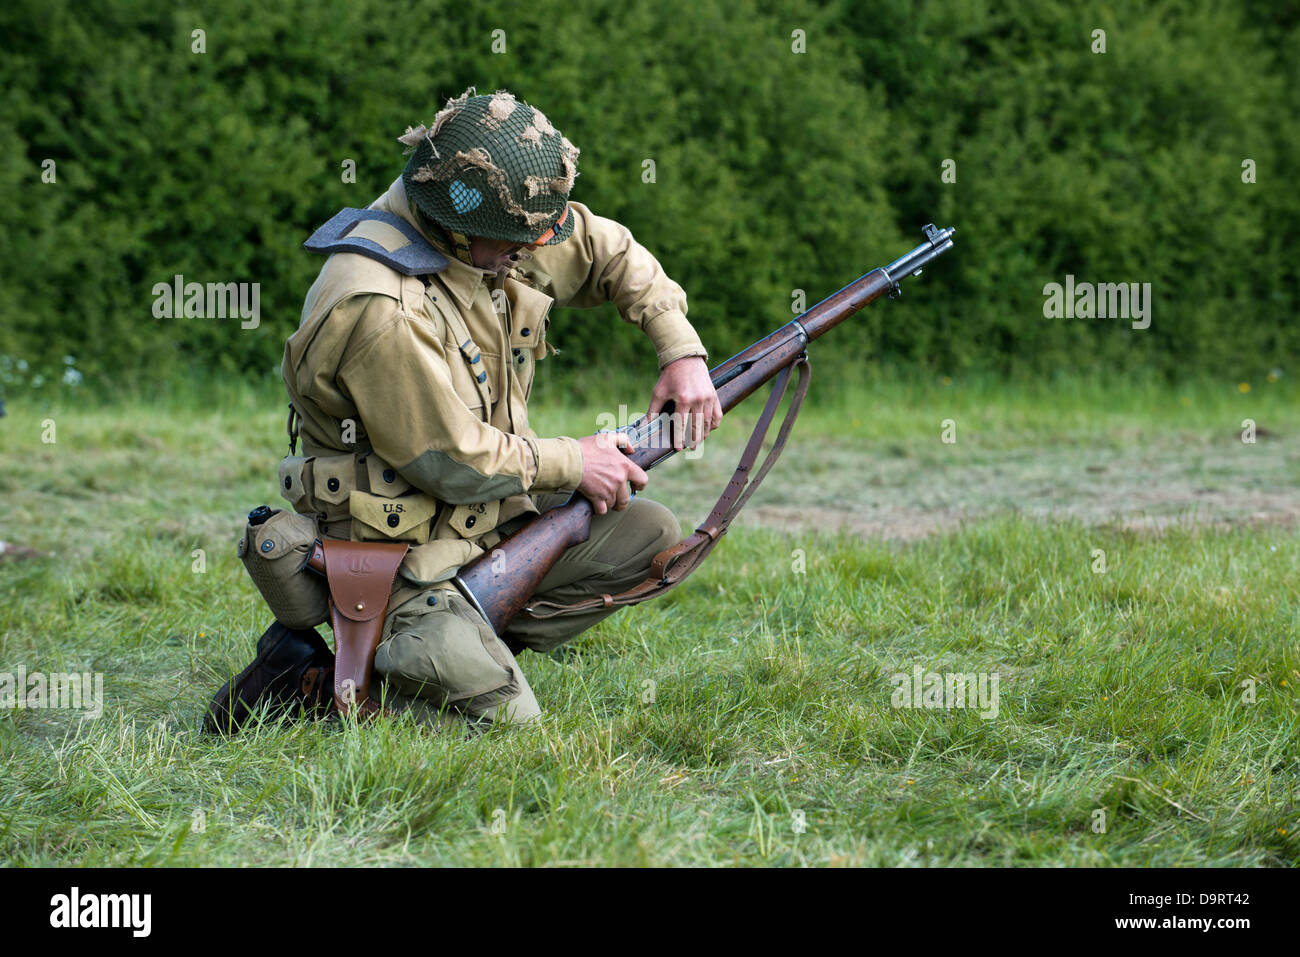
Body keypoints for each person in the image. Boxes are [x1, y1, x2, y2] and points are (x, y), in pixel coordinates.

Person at [205, 88, 721, 732]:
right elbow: (447, 459)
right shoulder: (380, 305)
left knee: (648, 535)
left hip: (490, 517)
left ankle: (470, 637)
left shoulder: (492, 226)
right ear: (455, 225)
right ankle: (313, 683)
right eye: (516, 243)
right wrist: (574, 460)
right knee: (506, 727)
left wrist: (680, 351)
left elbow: (605, 249)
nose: (532, 252)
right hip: (399, 555)